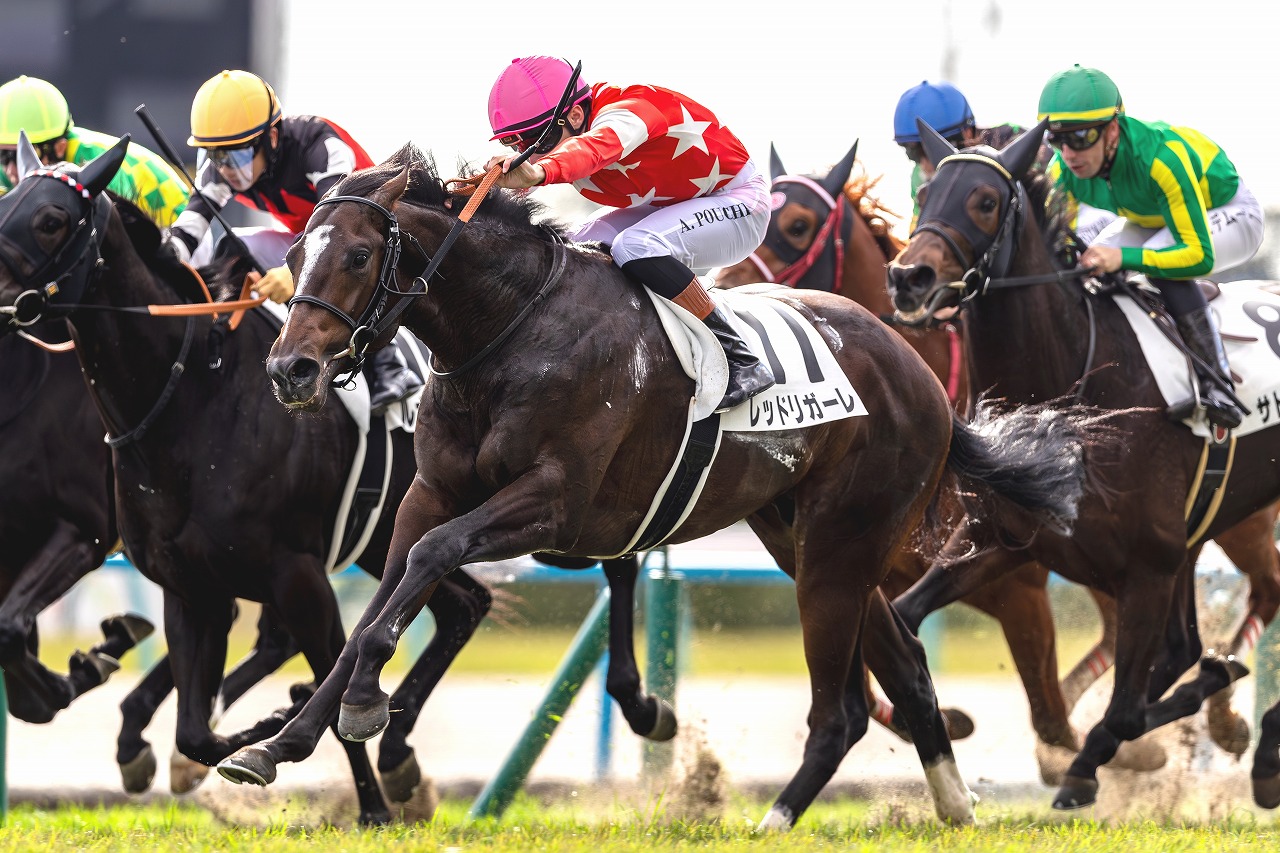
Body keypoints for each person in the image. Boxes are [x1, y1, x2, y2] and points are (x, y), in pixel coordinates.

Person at [484, 56, 774, 412]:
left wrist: (541, 171)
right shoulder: (566, 136)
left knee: (635, 246)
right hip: (675, 203)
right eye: (517, 145)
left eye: (535, 140)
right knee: (572, 248)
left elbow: (593, 148)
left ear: (574, 116)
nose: (527, 154)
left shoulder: (629, 110)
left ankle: (738, 356)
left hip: (740, 201)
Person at [165, 69, 421, 412]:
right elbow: (188, 230)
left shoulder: (320, 147)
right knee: (230, 248)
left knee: (339, 266)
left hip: (361, 242)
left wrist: (292, 275)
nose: (225, 170)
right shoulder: (224, 168)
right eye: (215, 156)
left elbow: (335, 233)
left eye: (236, 156)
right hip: (310, 241)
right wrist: (161, 259)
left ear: (271, 138)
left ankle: (390, 365)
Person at [1038, 64, 1264, 431]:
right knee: (1088, 267)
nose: (1068, 153)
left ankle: (1218, 384)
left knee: (1161, 266)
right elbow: (1057, 247)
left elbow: (1197, 254)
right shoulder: (1062, 171)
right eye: (1056, 139)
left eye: (1079, 137)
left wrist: (1124, 257)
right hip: (1152, 217)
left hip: (1230, 211)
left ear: (1112, 129)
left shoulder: (1161, 158)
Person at [0, 75, 188, 228]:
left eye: (21, 155)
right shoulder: (6, 172)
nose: (10, 170)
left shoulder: (110, 172)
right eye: (2, 156)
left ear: (60, 147)